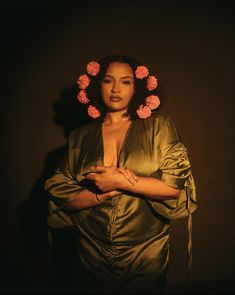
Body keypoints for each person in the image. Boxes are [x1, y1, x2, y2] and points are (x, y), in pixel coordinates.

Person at [44, 54, 197, 294]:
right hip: (90, 252)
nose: (116, 88)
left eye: (125, 81)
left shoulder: (159, 125)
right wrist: (99, 195)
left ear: (136, 88)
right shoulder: (79, 137)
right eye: (108, 81)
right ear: (97, 86)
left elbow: (174, 189)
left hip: (145, 251)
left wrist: (121, 182)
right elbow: (60, 194)